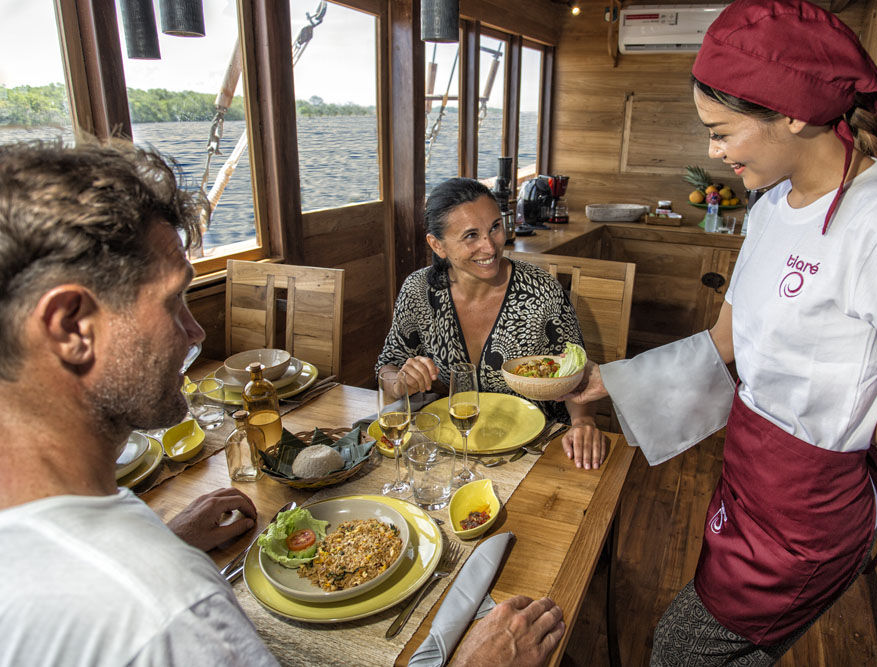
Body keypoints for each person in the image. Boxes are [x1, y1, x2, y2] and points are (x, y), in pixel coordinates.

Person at [0, 140, 565, 666]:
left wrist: (166, 540)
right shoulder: (166, 610)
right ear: (71, 326)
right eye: (174, 302)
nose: (196, 332)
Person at [565, 1, 877, 664]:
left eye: (721, 131)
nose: (711, 151)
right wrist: (607, 381)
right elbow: (726, 343)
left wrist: (850, 423)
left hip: (812, 507)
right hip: (747, 473)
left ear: (792, 110)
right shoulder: (770, 208)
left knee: (681, 648)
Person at [377, 177, 607, 469]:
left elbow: (576, 372)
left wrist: (583, 422)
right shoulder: (418, 291)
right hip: (454, 446)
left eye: (495, 227)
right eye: (471, 235)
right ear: (438, 245)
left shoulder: (542, 292)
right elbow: (389, 365)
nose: (490, 246)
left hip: (539, 446)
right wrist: (401, 383)